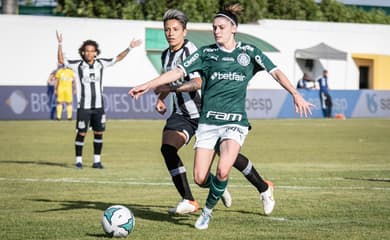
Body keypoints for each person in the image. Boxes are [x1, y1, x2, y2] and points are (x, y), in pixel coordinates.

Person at [129, 3, 313, 230]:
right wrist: (148, 87)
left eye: (221, 27)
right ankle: (244, 187)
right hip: (207, 121)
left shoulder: (249, 52)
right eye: (214, 27)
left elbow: (275, 72)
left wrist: (295, 93)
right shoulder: (206, 53)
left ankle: (208, 211)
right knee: (201, 177)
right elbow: (176, 73)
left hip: (233, 121)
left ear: (233, 28)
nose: (216, 31)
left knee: (224, 166)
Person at [155, 9, 275, 216]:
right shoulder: (166, 54)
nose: (170, 33)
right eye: (167, 29)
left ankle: (264, 187)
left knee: (229, 157)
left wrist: (171, 89)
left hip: (205, 112)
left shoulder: (192, 50)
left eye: (175, 29)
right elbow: (169, 80)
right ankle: (190, 199)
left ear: (184, 31)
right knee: (167, 148)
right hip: (182, 113)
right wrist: (161, 98)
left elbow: (198, 82)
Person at [56, 30, 142, 169]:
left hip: (98, 106)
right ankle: (79, 161)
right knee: (82, 133)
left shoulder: (101, 63)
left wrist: (130, 47)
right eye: (87, 51)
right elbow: (61, 60)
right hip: (84, 106)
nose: (89, 53)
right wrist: (60, 43)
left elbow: (118, 58)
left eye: (92, 51)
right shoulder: (77, 65)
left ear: (96, 53)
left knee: (99, 132)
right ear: (83, 52)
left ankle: (97, 161)